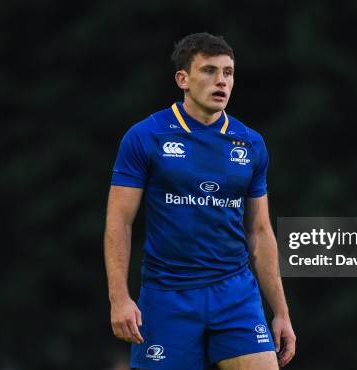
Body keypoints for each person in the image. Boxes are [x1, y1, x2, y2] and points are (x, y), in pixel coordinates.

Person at [104, 32, 295, 370]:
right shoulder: (146, 136)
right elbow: (120, 221)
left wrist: (280, 312)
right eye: (209, 71)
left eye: (228, 72)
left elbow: (261, 231)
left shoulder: (250, 144)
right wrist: (119, 298)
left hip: (235, 294)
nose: (221, 81)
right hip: (168, 297)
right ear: (183, 79)